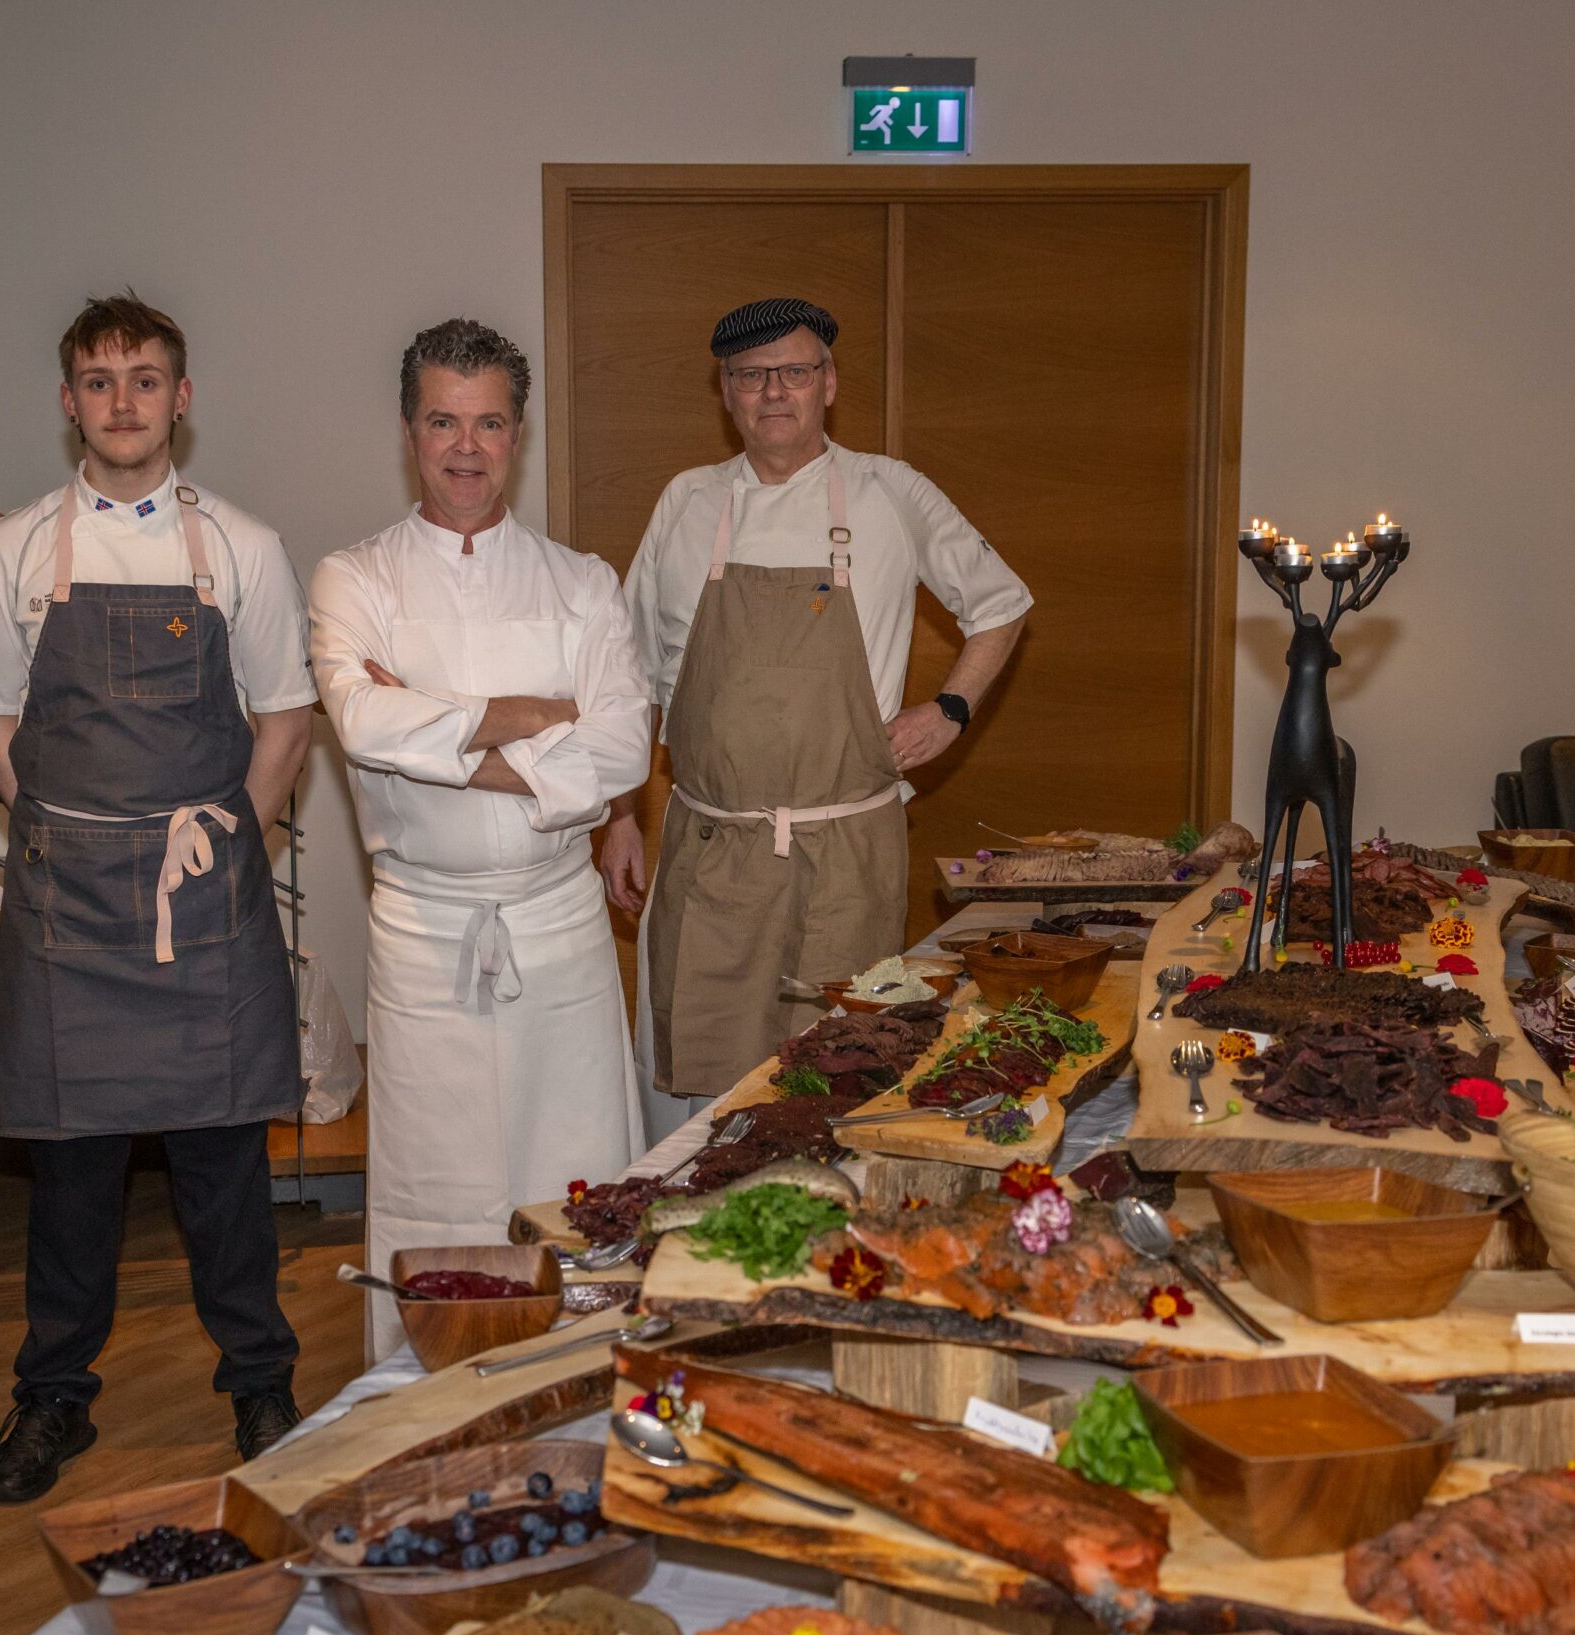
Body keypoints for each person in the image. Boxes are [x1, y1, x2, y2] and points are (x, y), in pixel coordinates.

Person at [0, 295, 311, 1500]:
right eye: (99, 381)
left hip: (204, 899)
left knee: (224, 1167)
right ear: (69, 401)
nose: (122, 402)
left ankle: (260, 1380)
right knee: (71, 1174)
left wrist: (225, 841)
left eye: (144, 379)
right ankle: (53, 1396)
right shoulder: (10, 551)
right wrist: (63, 835)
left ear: (180, 398)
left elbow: (285, 717)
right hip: (67, 910)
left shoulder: (241, 547)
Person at [308, 320, 651, 1355]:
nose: (467, 447)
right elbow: (363, 724)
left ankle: (581, 1373)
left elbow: (623, 751)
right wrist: (541, 716)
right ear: (407, 430)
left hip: (559, 920)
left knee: (578, 1170)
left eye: (490, 423)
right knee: (435, 1180)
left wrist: (438, 721)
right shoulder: (353, 578)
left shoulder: (581, 582)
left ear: (519, 433)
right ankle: (423, 1385)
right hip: (425, 926)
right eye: (443, 422)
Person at [606, 298, 1032, 1127]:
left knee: (841, 1090)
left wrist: (951, 708)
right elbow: (630, 677)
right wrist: (621, 814)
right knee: (699, 1107)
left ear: (828, 383)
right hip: (712, 857)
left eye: (795, 371)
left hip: (846, 860)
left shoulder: (889, 491)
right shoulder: (687, 503)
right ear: (725, 392)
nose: (774, 392)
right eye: (751, 375)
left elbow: (1002, 603)